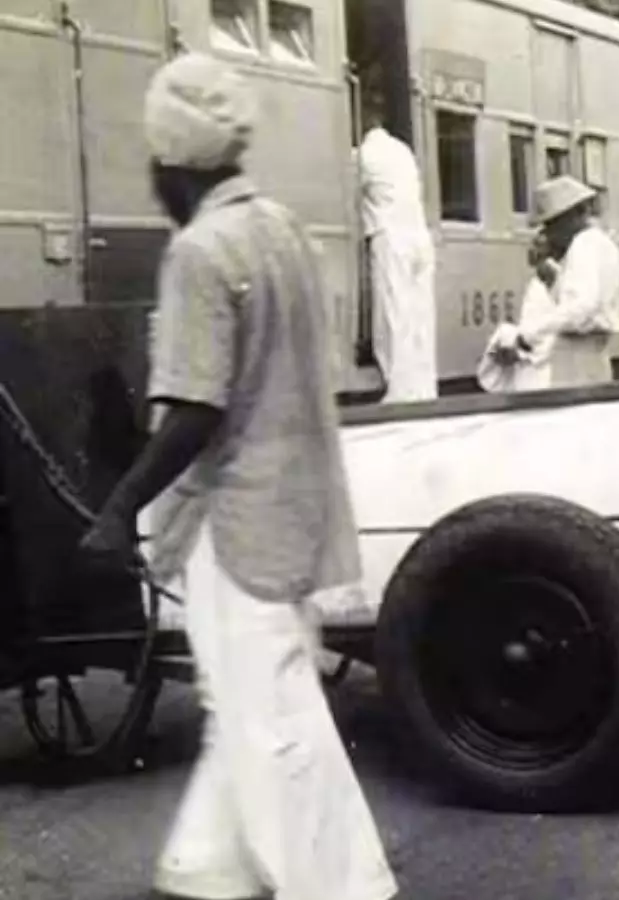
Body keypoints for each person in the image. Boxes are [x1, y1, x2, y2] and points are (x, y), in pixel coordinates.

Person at [77, 53, 397, 900]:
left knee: (269, 721)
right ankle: (205, 872)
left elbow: (195, 409)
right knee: (248, 704)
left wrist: (118, 507)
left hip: (237, 527)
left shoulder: (200, 252)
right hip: (296, 510)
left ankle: (341, 889)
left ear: (169, 164)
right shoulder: (282, 232)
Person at [358, 93, 437, 402]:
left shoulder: (365, 154)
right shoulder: (402, 150)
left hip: (390, 236)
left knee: (393, 312)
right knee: (419, 316)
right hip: (418, 235)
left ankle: (398, 388)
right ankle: (423, 387)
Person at [516, 176, 619, 387]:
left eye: (552, 223)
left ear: (572, 215)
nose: (548, 232)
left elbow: (580, 308)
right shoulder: (604, 244)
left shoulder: (583, 245)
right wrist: (551, 278)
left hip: (576, 355)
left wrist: (530, 333)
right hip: (595, 351)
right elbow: (580, 298)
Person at [477, 233, 556, 393]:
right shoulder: (536, 287)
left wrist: (522, 349)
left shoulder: (560, 292)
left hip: (545, 374)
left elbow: (550, 335)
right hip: (528, 373)